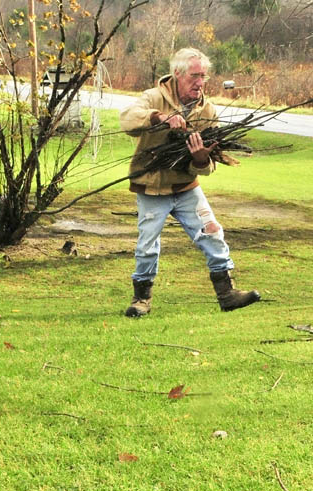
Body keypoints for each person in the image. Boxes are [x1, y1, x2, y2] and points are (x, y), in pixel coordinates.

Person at [118, 47, 260, 317]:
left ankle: (227, 293)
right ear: (178, 74)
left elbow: (207, 168)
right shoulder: (153, 97)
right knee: (147, 244)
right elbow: (126, 119)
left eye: (204, 77)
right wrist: (159, 118)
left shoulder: (207, 110)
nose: (200, 83)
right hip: (151, 186)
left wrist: (199, 160)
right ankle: (141, 300)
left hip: (185, 187)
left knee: (212, 232)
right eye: (195, 76)